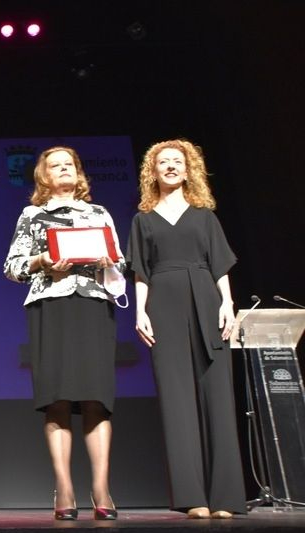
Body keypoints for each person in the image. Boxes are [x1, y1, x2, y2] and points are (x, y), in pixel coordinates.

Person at [126, 139, 245, 519]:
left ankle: (226, 497)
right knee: (177, 400)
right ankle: (193, 496)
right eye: (164, 162)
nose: (172, 167)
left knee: (217, 395)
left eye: (178, 161)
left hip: (207, 301)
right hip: (163, 303)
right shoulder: (142, 219)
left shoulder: (205, 216)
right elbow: (140, 271)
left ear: (188, 168)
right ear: (153, 171)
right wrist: (141, 311)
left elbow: (220, 266)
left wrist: (227, 304)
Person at [4, 146, 124, 521]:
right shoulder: (33, 215)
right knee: (56, 399)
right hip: (51, 306)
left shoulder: (99, 213)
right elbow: (12, 266)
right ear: (44, 177)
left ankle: (101, 487)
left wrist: (108, 261)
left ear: (79, 171)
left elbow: (120, 261)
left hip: (92, 305)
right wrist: (42, 261)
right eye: (55, 166)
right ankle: (65, 488)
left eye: (69, 164)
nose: (63, 169)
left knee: (96, 398)